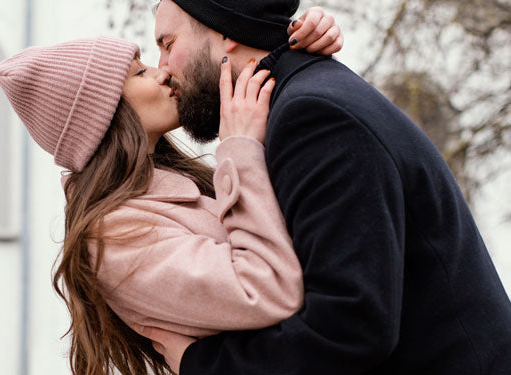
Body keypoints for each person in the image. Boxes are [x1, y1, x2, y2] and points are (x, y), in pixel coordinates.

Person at [140, 1, 511, 374]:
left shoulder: (313, 116)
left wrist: (202, 365)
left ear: (223, 31)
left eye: (168, 44)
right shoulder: (298, 100)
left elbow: (349, 325)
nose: (163, 69)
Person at [0, 10, 343, 375]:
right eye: (139, 72)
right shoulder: (114, 237)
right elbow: (266, 290)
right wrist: (240, 148)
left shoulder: (182, 185)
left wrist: (300, 47)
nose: (163, 72)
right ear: (105, 113)